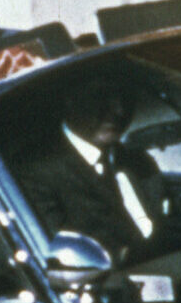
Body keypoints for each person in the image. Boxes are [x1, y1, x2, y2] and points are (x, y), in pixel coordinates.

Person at [14, 76, 167, 263]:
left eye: (126, 98)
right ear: (70, 99)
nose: (119, 111)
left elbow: (167, 226)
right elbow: (62, 260)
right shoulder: (36, 173)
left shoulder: (138, 160)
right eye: (102, 97)